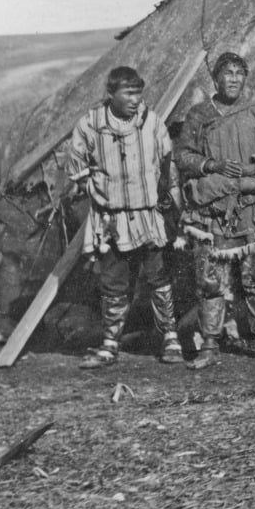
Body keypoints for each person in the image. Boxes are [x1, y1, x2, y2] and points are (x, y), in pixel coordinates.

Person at [174, 52, 255, 369]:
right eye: (228, 73)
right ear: (215, 79)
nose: (234, 79)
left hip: (252, 206)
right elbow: (182, 157)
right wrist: (211, 165)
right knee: (209, 280)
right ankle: (210, 344)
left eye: (240, 73)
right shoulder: (199, 116)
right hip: (211, 208)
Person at [66, 66, 180, 369]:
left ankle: (169, 337)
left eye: (138, 93)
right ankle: (110, 343)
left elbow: (168, 166)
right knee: (114, 282)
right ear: (110, 93)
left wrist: (171, 207)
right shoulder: (90, 126)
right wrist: (98, 190)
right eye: (128, 93)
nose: (134, 99)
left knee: (159, 277)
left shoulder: (153, 123)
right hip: (111, 220)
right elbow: (75, 170)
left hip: (149, 216)